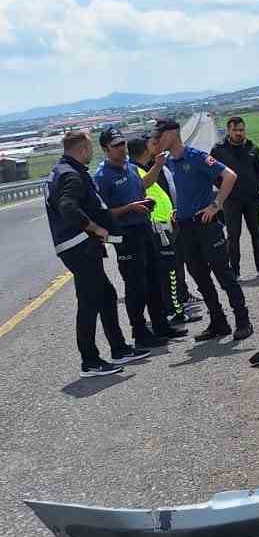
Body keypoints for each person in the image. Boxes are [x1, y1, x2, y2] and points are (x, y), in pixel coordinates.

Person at [44, 130, 150, 377]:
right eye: (90, 148)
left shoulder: (62, 170)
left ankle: (119, 348)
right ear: (81, 150)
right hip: (79, 246)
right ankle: (90, 361)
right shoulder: (71, 175)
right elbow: (68, 207)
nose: (91, 153)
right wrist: (95, 228)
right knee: (90, 302)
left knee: (106, 295)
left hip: (79, 246)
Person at [155, 118, 254, 343]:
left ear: (172, 134)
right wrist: (177, 210)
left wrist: (216, 204)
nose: (157, 140)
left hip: (205, 225)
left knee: (223, 275)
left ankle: (243, 320)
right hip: (185, 228)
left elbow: (229, 176)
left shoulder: (196, 156)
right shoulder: (168, 162)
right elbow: (181, 189)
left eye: (160, 135)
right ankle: (218, 322)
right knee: (200, 277)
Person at [93, 127, 187, 349]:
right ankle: (139, 331)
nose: (122, 148)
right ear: (106, 149)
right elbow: (102, 213)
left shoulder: (131, 168)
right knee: (136, 285)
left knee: (154, 279)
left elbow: (144, 186)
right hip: (126, 235)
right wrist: (130, 208)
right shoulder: (102, 177)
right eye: (116, 145)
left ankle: (160, 325)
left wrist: (157, 167)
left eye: (123, 144)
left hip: (145, 229)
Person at [128, 134, 197, 327]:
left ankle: (172, 309)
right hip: (158, 228)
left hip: (164, 226)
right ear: (145, 150)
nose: (156, 146)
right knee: (169, 273)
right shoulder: (139, 172)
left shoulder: (141, 170)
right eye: (152, 144)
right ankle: (175, 312)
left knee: (169, 272)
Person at [211, 115, 259, 277]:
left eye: (242, 130)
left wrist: (255, 186)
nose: (239, 133)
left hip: (251, 199)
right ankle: (235, 271)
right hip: (231, 200)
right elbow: (212, 173)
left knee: (257, 233)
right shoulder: (218, 149)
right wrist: (224, 189)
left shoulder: (252, 148)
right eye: (235, 130)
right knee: (233, 235)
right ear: (228, 130)